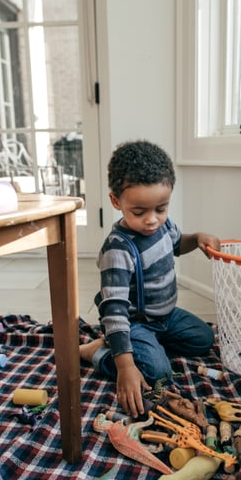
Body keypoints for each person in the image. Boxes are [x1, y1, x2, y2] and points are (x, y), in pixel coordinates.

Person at [79, 140, 220, 417]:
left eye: (161, 208)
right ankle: (99, 352)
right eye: (139, 212)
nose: (153, 220)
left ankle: (149, 348)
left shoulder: (163, 225)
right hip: (134, 322)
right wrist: (125, 366)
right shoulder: (118, 249)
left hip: (165, 317)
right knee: (158, 374)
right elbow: (114, 310)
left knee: (203, 339)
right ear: (116, 201)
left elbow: (179, 244)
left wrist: (199, 238)